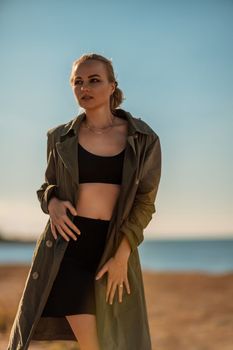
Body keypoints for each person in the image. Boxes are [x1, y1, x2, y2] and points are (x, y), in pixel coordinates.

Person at [7, 53, 162, 350]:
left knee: (118, 339)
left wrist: (122, 256)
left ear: (112, 86)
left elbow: (145, 202)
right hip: (66, 247)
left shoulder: (143, 138)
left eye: (94, 80)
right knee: (93, 344)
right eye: (78, 81)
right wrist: (51, 202)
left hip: (113, 246)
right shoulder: (59, 137)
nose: (85, 87)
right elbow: (48, 186)